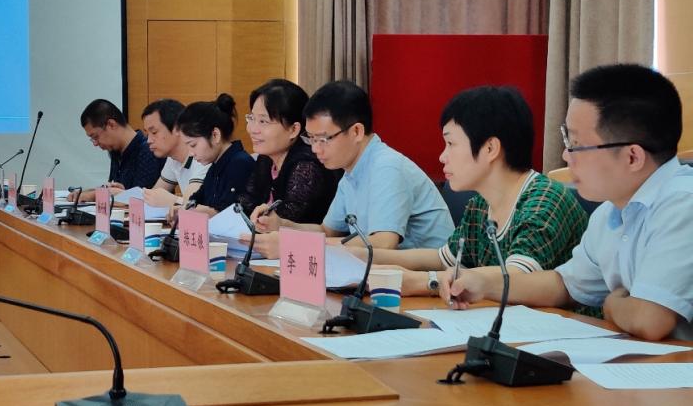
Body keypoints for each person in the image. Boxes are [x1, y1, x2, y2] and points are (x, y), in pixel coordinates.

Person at [445, 64, 693, 341]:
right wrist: (484, 283)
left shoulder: (683, 205)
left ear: (632, 157)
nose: (566, 155)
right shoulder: (610, 213)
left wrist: (611, 304)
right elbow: (565, 284)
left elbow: (650, 320)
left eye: (576, 144)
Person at [364, 86, 588, 297]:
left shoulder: (544, 201)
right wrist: (365, 256)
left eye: (450, 144)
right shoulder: (480, 204)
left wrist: (421, 281)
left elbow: (516, 278)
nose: (442, 156)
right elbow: (443, 259)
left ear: (490, 148)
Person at [254, 81, 453, 257]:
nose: (315, 149)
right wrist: (282, 225)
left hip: (430, 277)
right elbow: (327, 231)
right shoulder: (351, 171)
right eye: (311, 139)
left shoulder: (386, 167)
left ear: (356, 131)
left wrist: (297, 245)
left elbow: (383, 244)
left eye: (323, 139)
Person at [238, 79, 339, 225]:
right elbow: (244, 205)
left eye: (263, 121)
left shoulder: (307, 166)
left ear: (293, 130)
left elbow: (283, 222)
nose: (252, 129)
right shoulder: (266, 159)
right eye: (252, 118)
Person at [178, 94, 255, 214]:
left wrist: (196, 211)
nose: (191, 154)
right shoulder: (215, 165)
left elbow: (234, 214)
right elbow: (197, 198)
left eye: (193, 145)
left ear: (215, 135)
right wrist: (182, 209)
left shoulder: (240, 164)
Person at [76, 99, 164, 202]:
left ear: (111, 124)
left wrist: (93, 195)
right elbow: (118, 192)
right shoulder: (115, 150)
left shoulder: (148, 151)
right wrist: (86, 193)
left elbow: (142, 200)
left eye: (95, 137)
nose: (95, 144)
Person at [140, 98, 209, 207]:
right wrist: (124, 195)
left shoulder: (202, 156)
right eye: (147, 134)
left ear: (177, 128)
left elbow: (193, 206)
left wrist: (173, 200)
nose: (148, 140)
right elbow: (153, 196)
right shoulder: (172, 158)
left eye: (154, 132)